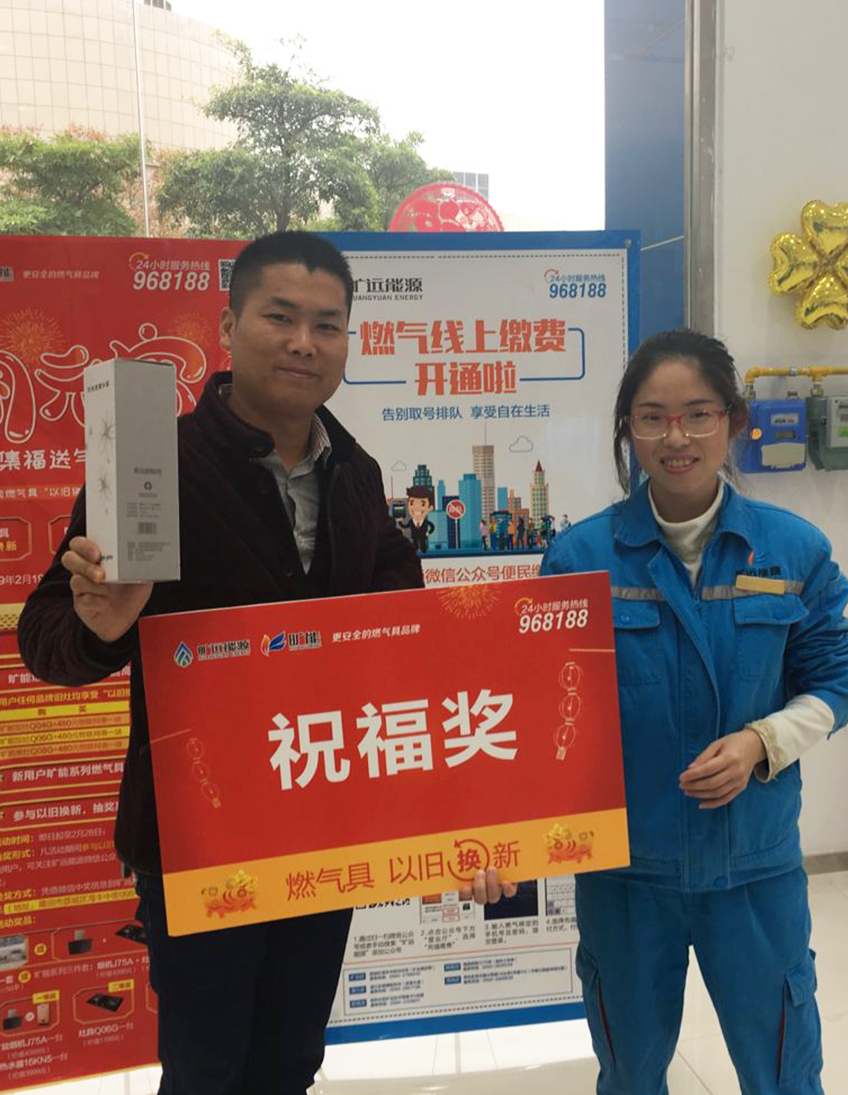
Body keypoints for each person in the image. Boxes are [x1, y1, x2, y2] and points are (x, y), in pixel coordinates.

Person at [16, 230, 507, 1095]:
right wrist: (101, 624)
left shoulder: (357, 474)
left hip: (323, 822)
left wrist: (457, 818)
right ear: (227, 325)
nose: (303, 342)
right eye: (280, 317)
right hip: (199, 834)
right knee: (205, 1069)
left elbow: (409, 649)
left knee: (290, 1059)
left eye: (327, 324)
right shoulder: (153, 464)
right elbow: (47, 634)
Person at [540, 329, 848, 1095]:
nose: (675, 437)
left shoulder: (792, 550)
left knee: (782, 1068)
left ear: (733, 421)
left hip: (752, 864)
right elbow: (541, 713)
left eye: (696, 414)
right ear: (627, 428)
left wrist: (761, 740)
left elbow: (836, 684)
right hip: (624, 871)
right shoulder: (579, 559)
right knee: (629, 1070)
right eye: (651, 417)